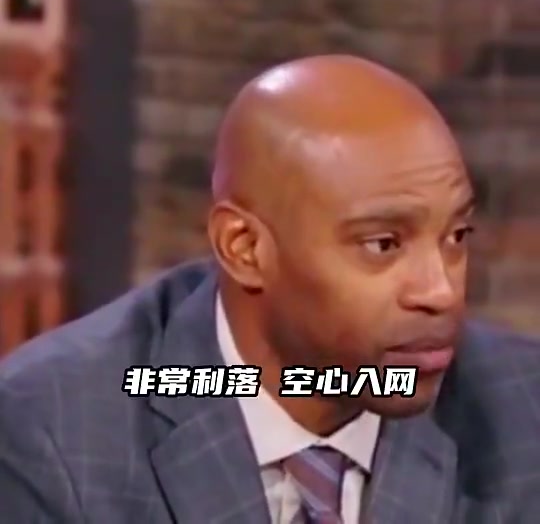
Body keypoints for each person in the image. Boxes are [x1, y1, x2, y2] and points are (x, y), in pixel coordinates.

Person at [1, 55, 539, 524]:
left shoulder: (524, 411)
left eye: (456, 236)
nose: (441, 292)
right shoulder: (57, 431)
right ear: (245, 249)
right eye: (383, 244)